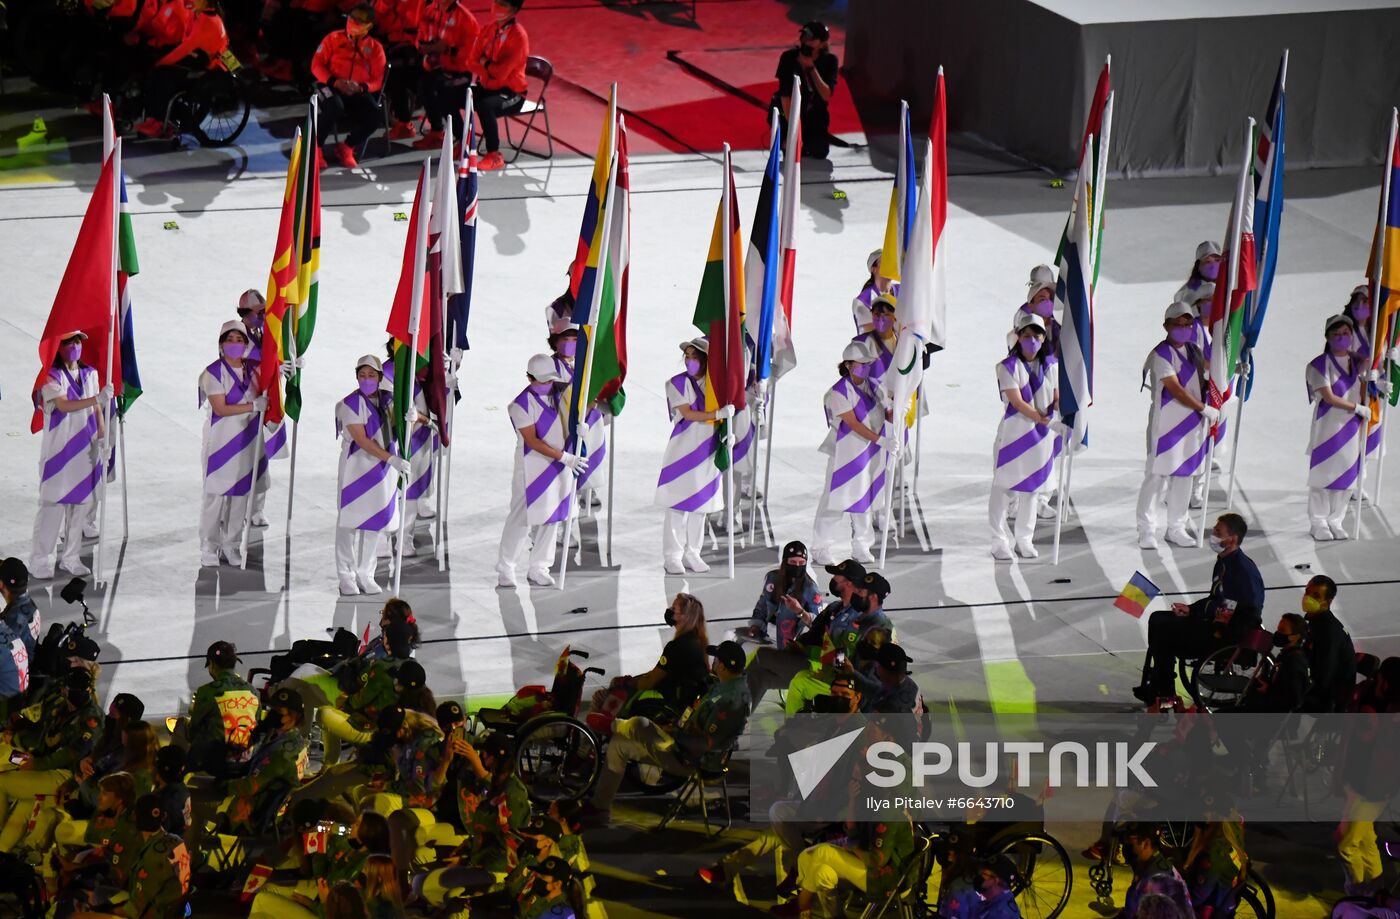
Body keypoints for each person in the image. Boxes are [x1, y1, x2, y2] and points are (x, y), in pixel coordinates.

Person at [584, 640, 750, 824]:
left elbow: (705, 744)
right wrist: (675, 727)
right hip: (687, 747)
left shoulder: (732, 700)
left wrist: (675, 734)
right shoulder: (726, 686)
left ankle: (611, 725)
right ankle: (600, 808)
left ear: (724, 667)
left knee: (640, 724)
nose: (714, 662)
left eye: (717, 660)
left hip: (693, 760)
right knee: (618, 745)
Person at [1134, 513, 1264, 703]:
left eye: (1218, 532)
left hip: (1226, 632)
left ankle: (1164, 689)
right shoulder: (1226, 561)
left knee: (1165, 630)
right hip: (1216, 620)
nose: (1213, 535)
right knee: (1157, 618)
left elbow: (1243, 609)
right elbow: (1216, 598)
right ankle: (1159, 681)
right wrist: (1191, 609)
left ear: (1232, 539)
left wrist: (1203, 616)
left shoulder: (1242, 569)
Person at [497, 353, 585, 588]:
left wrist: (581, 427)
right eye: (542, 381)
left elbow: (580, 406)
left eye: (550, 380)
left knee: (552, 516)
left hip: (558, 466)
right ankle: (506, 567)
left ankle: (539, 567)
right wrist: (564, 457)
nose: (548, 384)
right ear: (529, 378)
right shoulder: (519, 405)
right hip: (532, 467)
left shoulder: (561, 394)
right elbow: (532, 441)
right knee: (521, 517)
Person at [1137, 302, 1217, 550]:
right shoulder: (1161, 355)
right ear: (1166, 326)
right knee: (1156, 477)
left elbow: (1209, 373)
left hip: (1191, 425)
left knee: (1184, 477)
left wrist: (1233, 369)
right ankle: (1147, 530)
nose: (1183, 329)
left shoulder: (1194, 350)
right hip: (1166, 426)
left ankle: (1176, 527)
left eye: (1187, 324)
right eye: (1177, 324)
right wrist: (1203, 408)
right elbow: (1176, 389)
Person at [30, 330, 109, 580]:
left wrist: (103, 437)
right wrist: (96, 398)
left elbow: (97, 410)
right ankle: (40, 559)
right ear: (59, 346)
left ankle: (71, 558)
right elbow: (64, 405)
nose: (75, 346)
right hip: (59, 454)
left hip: (85, 450)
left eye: (78, 341)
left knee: (80, 507)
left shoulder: (91, 374)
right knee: (52, 506)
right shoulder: (50, 378)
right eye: (70, 342)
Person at [0, 669, 102, 852]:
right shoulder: (60, 706)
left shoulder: (90, 718)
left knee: (2, 781)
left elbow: (70, 754)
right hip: (38, 760)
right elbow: (40, 730)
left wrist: (36, 764)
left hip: (63, 774)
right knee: (10, 771)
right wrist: (19, 723)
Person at [812, 339, 891, 565]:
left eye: (867, 364)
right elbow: (853, 423)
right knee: (835, 500)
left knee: (865, 499)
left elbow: (888, 408)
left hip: (868, 453)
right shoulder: (838, 392)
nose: (864, 367)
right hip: (844, 454)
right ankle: (820, 547)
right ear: (848, 365)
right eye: (860, 363)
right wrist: (881, 440)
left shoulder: (874, 386)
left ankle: (861, 545)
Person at [655, 338, 730, 575]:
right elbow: (687, 413)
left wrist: (728, 432)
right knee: (677, 504)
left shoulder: (717, 385)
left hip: (708, 450)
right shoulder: (677, 383)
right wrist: (717, 414)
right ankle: (672, 556)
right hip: (683, 451)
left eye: (695, 357)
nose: (690, 361)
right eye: (687, 357)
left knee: (701, 506)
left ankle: (693, 553)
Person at [989, 312, 1060, 560]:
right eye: (1027, 335)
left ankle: (1024, 539)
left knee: (1032, 490)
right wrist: (1044, 418)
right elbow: (1017, 402)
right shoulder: (1007, 367)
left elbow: (1057, 395)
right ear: (1018, 337)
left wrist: (1064, 411)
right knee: (1004, 489)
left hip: (1041, 437)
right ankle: (998, 541)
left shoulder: (1051, 365)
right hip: (1014, 435)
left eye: (1036, 336)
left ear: (1043, 338)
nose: (1032, 340)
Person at [745, 559, 863, 708]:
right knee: (760, 676)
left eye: (836, 576)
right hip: (812, 662)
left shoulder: (857, 616)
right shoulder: (834, 607)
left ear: (849, 583)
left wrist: (812, 654)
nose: (833, 579)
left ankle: (730, 684)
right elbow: (814, 630)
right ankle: (739, 716)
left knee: (762, 655)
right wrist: (798, 644)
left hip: (827, 672)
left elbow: (842, 655)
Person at [334, 355, 406, 596]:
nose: (367, 380)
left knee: (374, 520)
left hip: (382, 469)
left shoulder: (389, 400)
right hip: (357, 468)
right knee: (349, 522)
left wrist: (413, 418)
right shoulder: (350, 404)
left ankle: (366, 573)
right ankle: (346, 575)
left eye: (371, 375)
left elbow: (398, 426)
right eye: (362, 375)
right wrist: (391, 459)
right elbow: (362, 440)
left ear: (380, 377)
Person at [198, 320, 266, 568]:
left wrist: (287, 367)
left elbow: (271, 375)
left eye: (239, 340)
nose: (235, 344)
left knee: (240, 497)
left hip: (246, 441)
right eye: (230, 340)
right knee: (215, 497)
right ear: (221, 344)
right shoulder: (213, 373)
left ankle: (231, 544)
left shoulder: (253, 370)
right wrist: (252, 406)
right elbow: (221, 408)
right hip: (220, 442)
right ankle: (208, 546)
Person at [1334, 657, 1400, 897]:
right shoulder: (1364, 693)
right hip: (1357, 781)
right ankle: (1374, 892)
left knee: (1346, 843)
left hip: (1375, 789)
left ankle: (1358, 895)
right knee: (1364, 839)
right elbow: (1350, 734)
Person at [592, 593, 710, 720]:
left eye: (674, 608)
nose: (669, 610)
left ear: (684, 616)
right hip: (684, 698)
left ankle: (601, 727)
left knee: (601, 696)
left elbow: (651, 681)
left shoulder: (676, 646)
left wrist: (630, 682)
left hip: (666, 701)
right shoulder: (698, 642)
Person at [1306, 314, 1370, 541]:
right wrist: (1357, 407)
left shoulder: (1359, 362)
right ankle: (1318, 521)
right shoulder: (1318, 365)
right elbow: (1329, 397)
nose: (1342, 338)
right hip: (1328, 428)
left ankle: (1336, 520)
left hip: (1352, 428)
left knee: (1347, 474)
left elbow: (1371, 378)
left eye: (1346, 333)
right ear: (1328, 337)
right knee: (1323, 475)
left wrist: (1378, 380)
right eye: (1336, 334)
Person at [133, 0, 230, 139]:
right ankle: (154, 118)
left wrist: (163, 62)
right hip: (196, 59)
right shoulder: (200, 15)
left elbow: (185, 47)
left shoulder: (208, 20)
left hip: (204, 68)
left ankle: (159, 120)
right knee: (157, 71)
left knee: (162, 74)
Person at [219, 686, 308, 834]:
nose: (273, 714)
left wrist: (223, 786)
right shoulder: (295, 741)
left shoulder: (281, 752)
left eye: (279, 712)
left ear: (293, 716)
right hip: (268, 812)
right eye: (273, 709)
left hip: (249, 818)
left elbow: (251, 786)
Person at [312, 3, 387, 169]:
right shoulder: (332, 38)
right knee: (334, 107)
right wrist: (334, 81)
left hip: (357, 90)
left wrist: (361, 88)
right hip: (329, 85)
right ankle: (315, 147)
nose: (353, 22)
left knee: (376, 115)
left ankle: (347, 147)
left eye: (359, 21)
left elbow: (378, 80)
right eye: (351, 18)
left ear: (369, 26)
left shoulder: (375, 49)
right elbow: (316, 65)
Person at [467, 0, 529, 171]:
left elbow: (502, 72)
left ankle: (494, 154)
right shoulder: (488, 29)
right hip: (487, 86)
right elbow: (471, 62)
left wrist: (485, 63)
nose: (497, 6)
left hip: (513, 93)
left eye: (503, 4)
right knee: (458, 94)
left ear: (514, 9)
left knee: (485, 107)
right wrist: (489, 68)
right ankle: (461, 141)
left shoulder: (518, 36)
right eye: (496, 1)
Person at [411, 0, 479, 149]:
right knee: (415, 80)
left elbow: (470, 55)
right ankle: (436, 132)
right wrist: (425, 47)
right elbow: (420, 35)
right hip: (435, 66)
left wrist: (446, 51)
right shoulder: (430, 10)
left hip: (459, 72)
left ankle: (464, 142)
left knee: (442, 94)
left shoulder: (466, 19)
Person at [184, 640, 259, 774]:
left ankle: (175, 777)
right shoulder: (254, 691)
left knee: (181, 724)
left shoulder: (207, 691)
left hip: (216, 764)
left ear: (212, 664)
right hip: (247, 762)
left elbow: (193, 731)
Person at [737, 540, 823, 646]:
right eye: (793, 562)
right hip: (766, 636)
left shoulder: (811, 588)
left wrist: (799, 611)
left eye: (801, 563)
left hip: (791, 645)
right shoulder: (772, 578)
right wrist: (756, 626)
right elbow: (762, 606)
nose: (797, 566)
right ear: (785, 562)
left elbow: (819, 624)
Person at [773, 20, 838, 160]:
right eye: (804, 37)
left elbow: (826, 95)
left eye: (811, 39)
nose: (806, 41)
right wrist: (794, 129)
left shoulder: (830, 61)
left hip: (815, 114)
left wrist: (811, 68)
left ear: (822, 44)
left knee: (819, 151)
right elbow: (785, 95)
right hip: (790, 113)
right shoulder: (788, 58)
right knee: (792, 150)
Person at [1298, 575, 1357, 712]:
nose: (1307, 598)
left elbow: (1324, 676)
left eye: (1316, 596)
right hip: (1317, 687)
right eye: (1307, 592)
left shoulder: (1328, 632)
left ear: (1328, 602)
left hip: (1328, 699)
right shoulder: (1316, 623)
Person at [1120, 825, 1186, 919]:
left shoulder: (1154, 877)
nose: (1127, 847)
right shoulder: (1152, 863)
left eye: (1131, 844)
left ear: (1146, 844)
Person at [851, 250, 897, 333]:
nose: (889, 267)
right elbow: (876, 336)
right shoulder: (863, 301)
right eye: (885, 263)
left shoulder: (903, 290)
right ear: (873, 269)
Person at [1173, 240, 1222, 305]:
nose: (1213, 265)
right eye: (1207, 261)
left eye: (1217, 260)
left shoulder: (1226, 284)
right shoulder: (1190, 289)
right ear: (1198, 265)